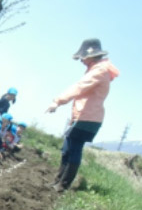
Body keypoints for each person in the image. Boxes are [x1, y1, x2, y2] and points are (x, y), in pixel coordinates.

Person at [46, 38, 119, 191]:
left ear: (91, 55)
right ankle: (58, 180)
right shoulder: (97, 69)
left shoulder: (100, 70)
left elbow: (79, 87)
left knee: (74, 149)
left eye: (83, 57)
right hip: (83, 116)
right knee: (67, 148)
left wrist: (58, 101)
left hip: (88, 117)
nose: (81, 61)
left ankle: (63, 185)